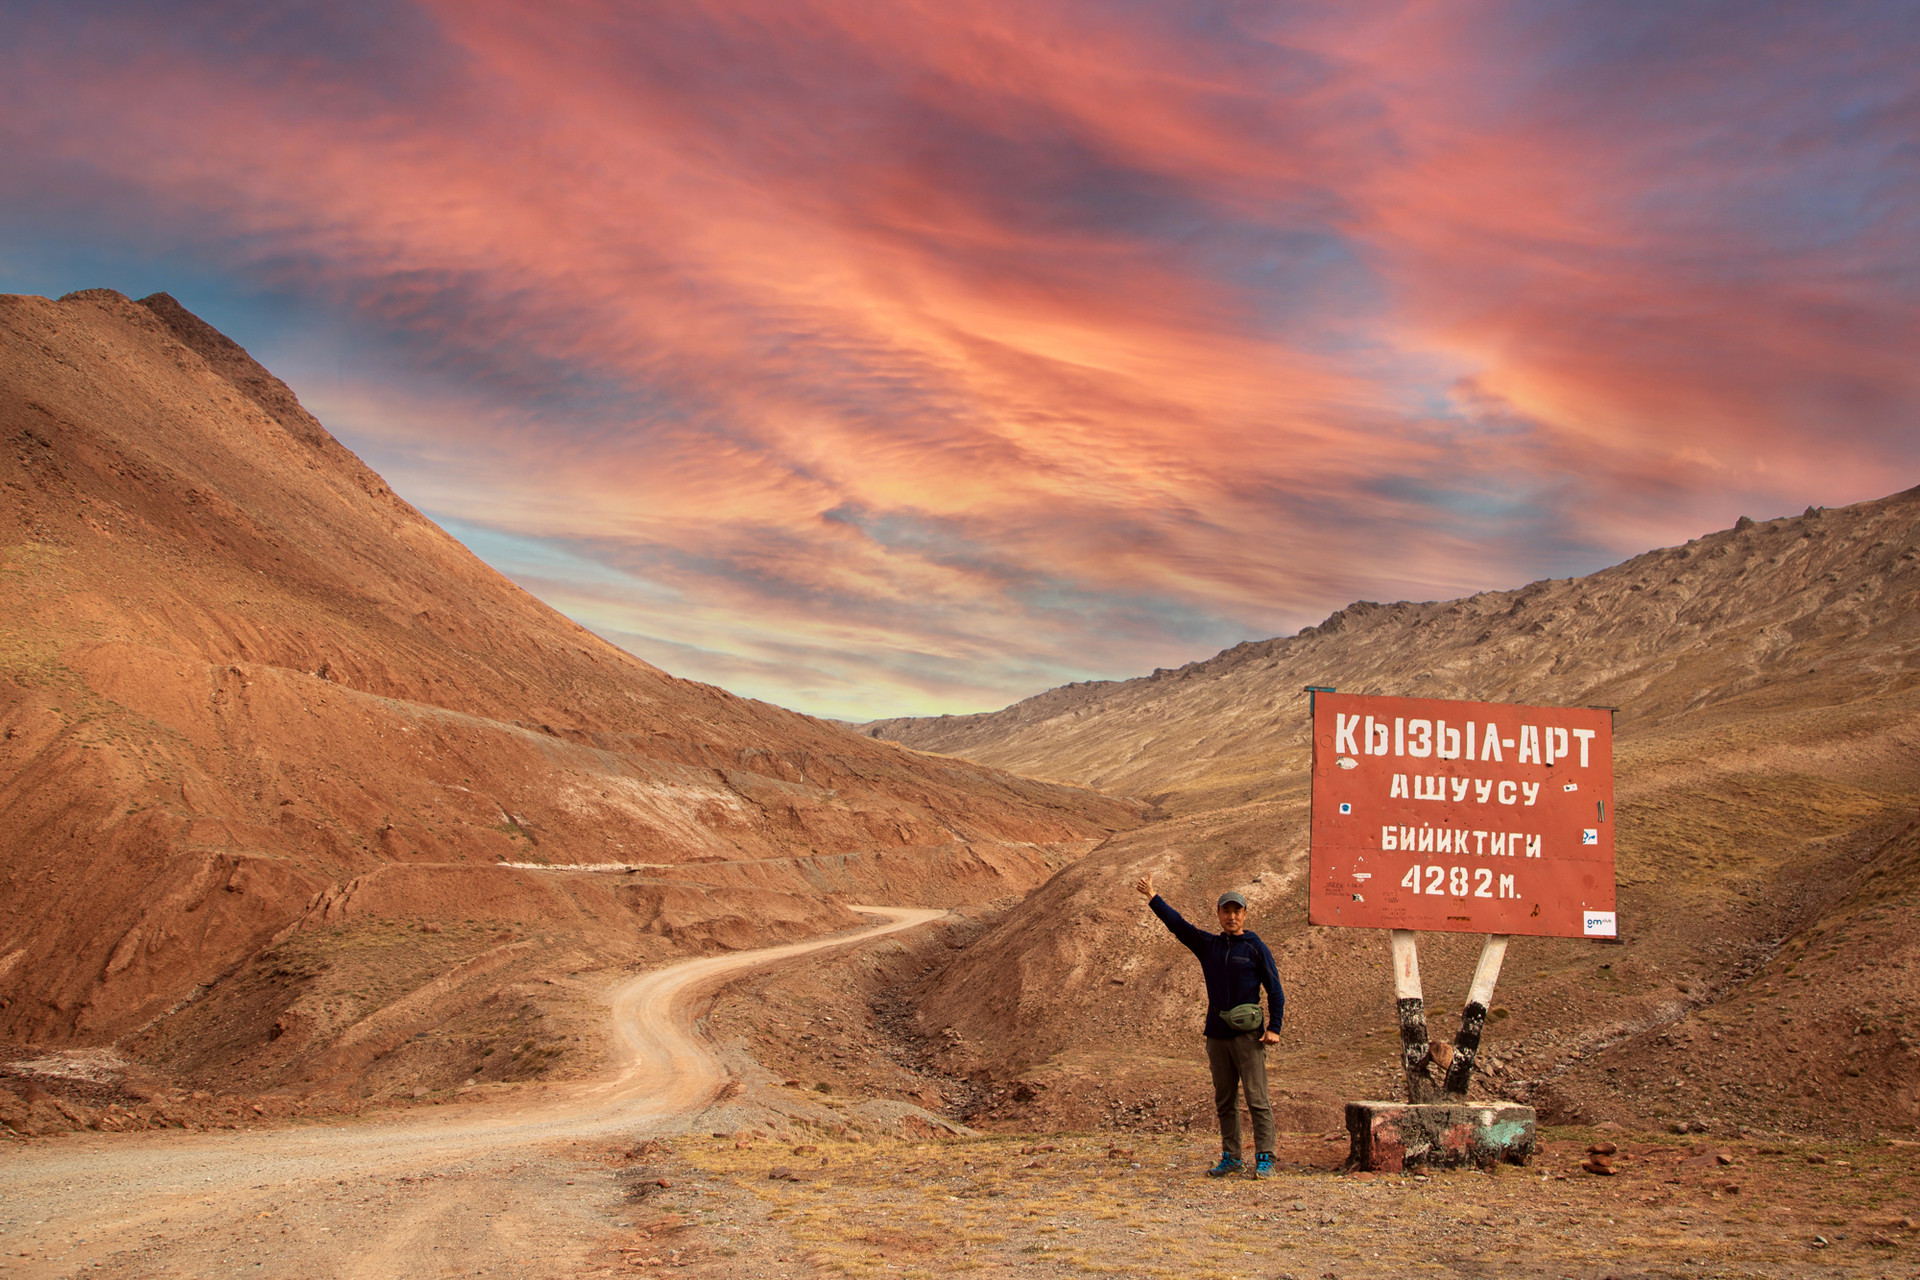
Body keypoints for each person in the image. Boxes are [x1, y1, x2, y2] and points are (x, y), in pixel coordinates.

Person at [1135, 872, 1284, 1178]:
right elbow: (1178, 925)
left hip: (1249, 1037)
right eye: (1226, 911)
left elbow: (1275, 989)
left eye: (1237, 911)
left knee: (1257, 1098)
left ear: (1245, 915)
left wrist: (1275, 1027)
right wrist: (1152, 896)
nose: (1232, 917)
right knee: (1225, 1100)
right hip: (1217, 1035)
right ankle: (1231, 1157)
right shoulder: (1208, 946)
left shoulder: (1256, 948)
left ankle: (1265, 1157)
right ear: (1218, 914)